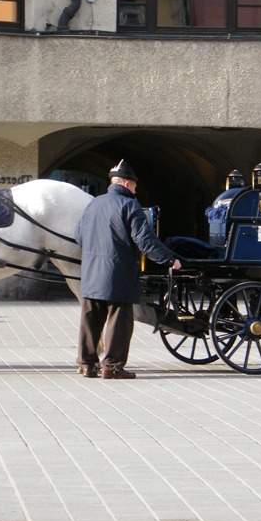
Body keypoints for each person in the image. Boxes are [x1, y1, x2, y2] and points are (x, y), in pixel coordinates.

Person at [76, 159, 182, 379]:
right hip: (118, 272)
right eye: (134, 185)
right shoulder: (129, 205)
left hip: (91, 272)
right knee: (119, 319)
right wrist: (170, 259)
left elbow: (79, 236)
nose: (136, 189)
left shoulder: (93, 204)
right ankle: (112, 367)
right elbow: (145, 241)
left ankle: (87, 365)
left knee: (90, 317)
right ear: (125, 183)